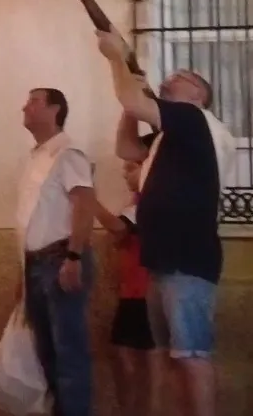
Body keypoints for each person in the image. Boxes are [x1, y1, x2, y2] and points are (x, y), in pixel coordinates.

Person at [97, 31, 221, 416]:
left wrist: (117, 60)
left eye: (183, 75)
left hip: (185, 258)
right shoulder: (173, 136)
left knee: (192, 355)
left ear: (198, 94)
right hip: (164, 258)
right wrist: (130, 105)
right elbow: (127, 149)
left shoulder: (194, 119)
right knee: (176, 358)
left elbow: (133, 100)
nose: (171, 77)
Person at [17, 86, 96, 416]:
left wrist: (74, 257)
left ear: (54, 110)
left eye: (34, 101)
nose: (25, 107)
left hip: (60, 259)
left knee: (68, 354)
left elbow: (84, 202)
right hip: (35, 264)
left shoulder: (69, 152)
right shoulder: (37, 156)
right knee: (46, 354)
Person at [92, 151, 159, 416]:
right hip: (132, 291)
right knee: (126, 356)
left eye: (130, 168)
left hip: (145, 292)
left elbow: (118, 228)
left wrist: (88, 198)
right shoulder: (136, 202)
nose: (124, 173)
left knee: (151, 363)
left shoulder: (147, 203)